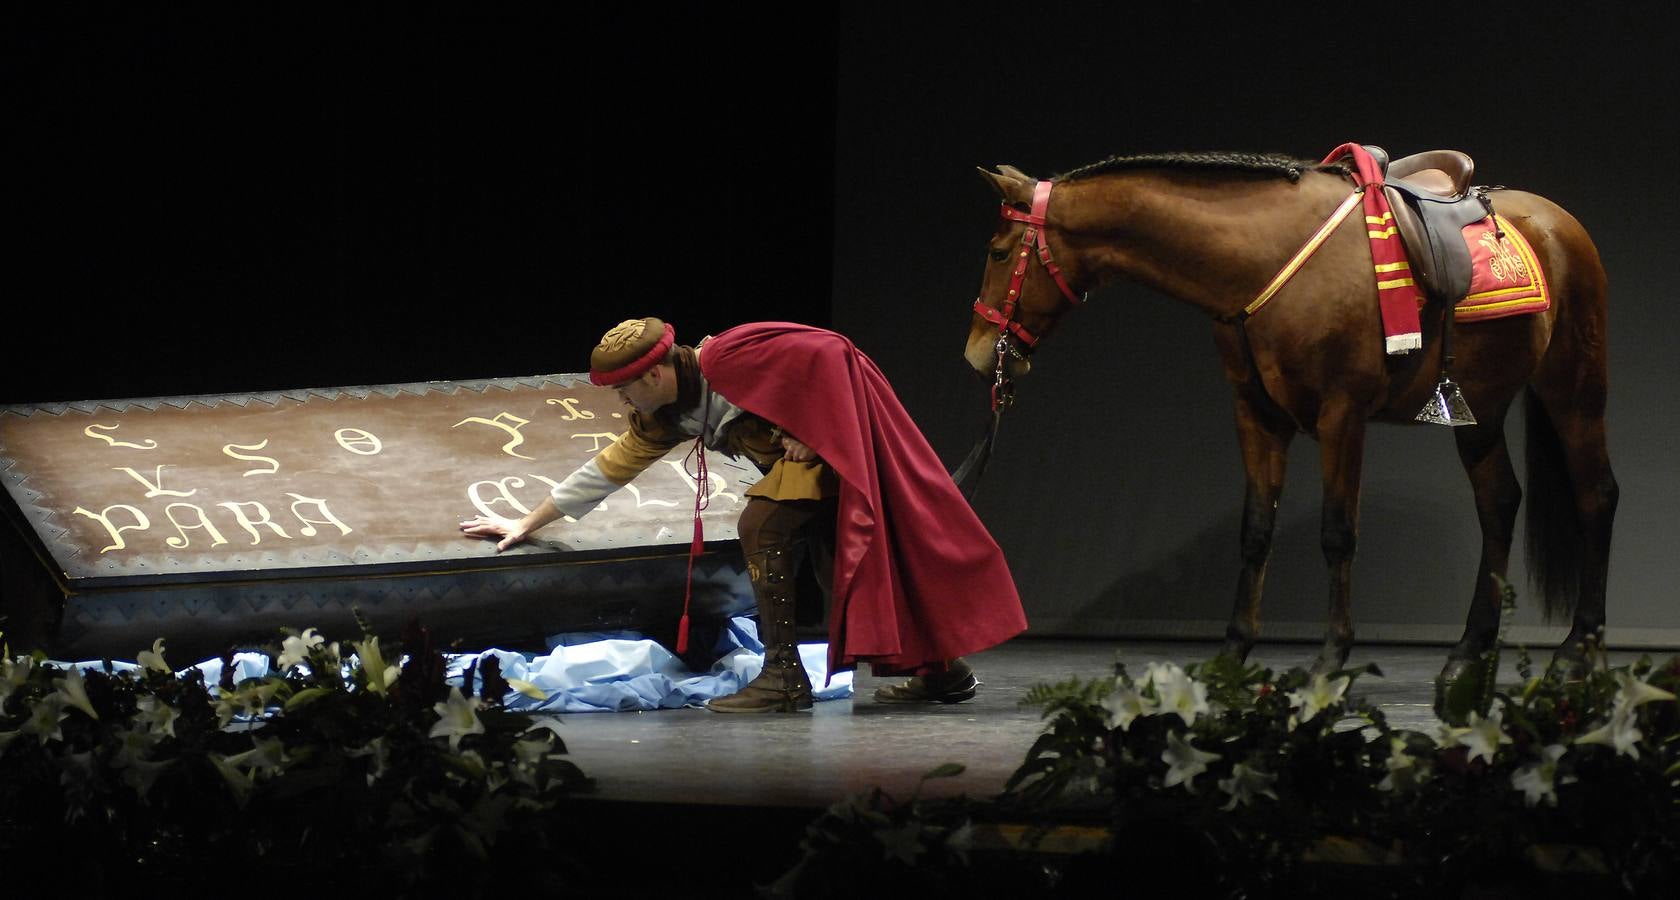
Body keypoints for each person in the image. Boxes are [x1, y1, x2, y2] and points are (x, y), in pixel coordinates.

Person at [460, 318, 1026, 713]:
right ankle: (944, 673)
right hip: (808, 468)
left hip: (839, 452)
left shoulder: (728, 356)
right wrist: (526, 523)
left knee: (762, 524)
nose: (623, 403)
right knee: (848, 572)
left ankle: (782, 677)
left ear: (653, 376)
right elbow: (607, 470)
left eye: (626, 390)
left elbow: (830, 352)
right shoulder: (666, 415)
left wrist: (815, 428)